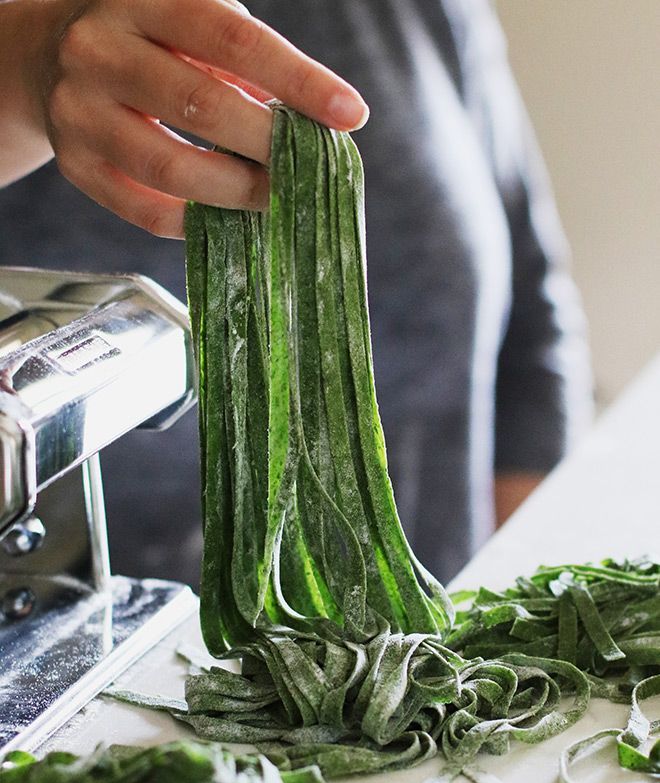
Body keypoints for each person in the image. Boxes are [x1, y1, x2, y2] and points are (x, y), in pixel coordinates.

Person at [0, 0, 592, 588]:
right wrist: (24, 61)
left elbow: (530, 324)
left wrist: (524, 608)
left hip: (439, 655)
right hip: (89, 654)